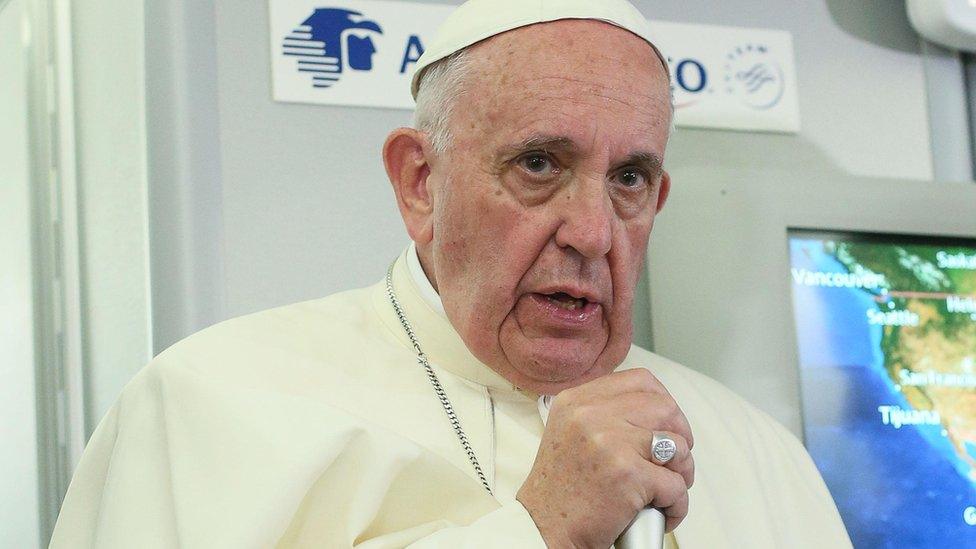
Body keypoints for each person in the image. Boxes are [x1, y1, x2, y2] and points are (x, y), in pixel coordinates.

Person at [51, 0, 852, 547]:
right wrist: (534, 528)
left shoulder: (763, 456)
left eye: (630, 178)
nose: (592, 231)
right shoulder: (208, 405)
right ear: (419, 184)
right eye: (539, 163)